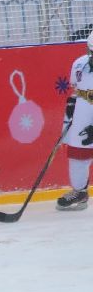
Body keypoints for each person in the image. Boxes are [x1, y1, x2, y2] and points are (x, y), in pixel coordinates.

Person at [55, 32, 93, 211]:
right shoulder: (79, 64)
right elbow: (76, 89)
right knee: (78, 152)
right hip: (84, 108)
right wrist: (72, 105)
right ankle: (79, 192)